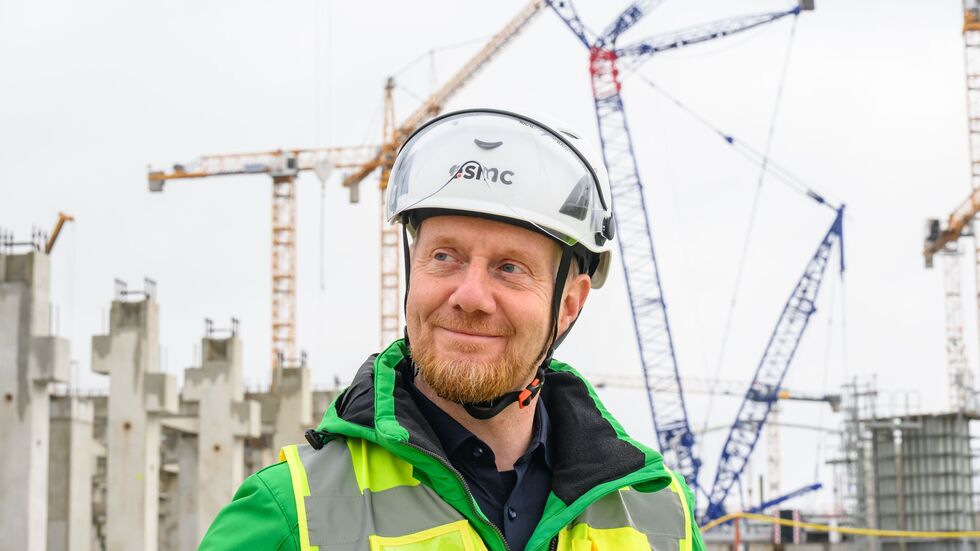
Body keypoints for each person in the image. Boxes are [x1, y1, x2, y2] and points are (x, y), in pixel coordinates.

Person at [199, 109, 704, 551]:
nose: (470, 296)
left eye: (510, 268)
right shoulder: (292, 515)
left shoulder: (660, 517)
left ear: (568, 304)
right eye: (445, 257)